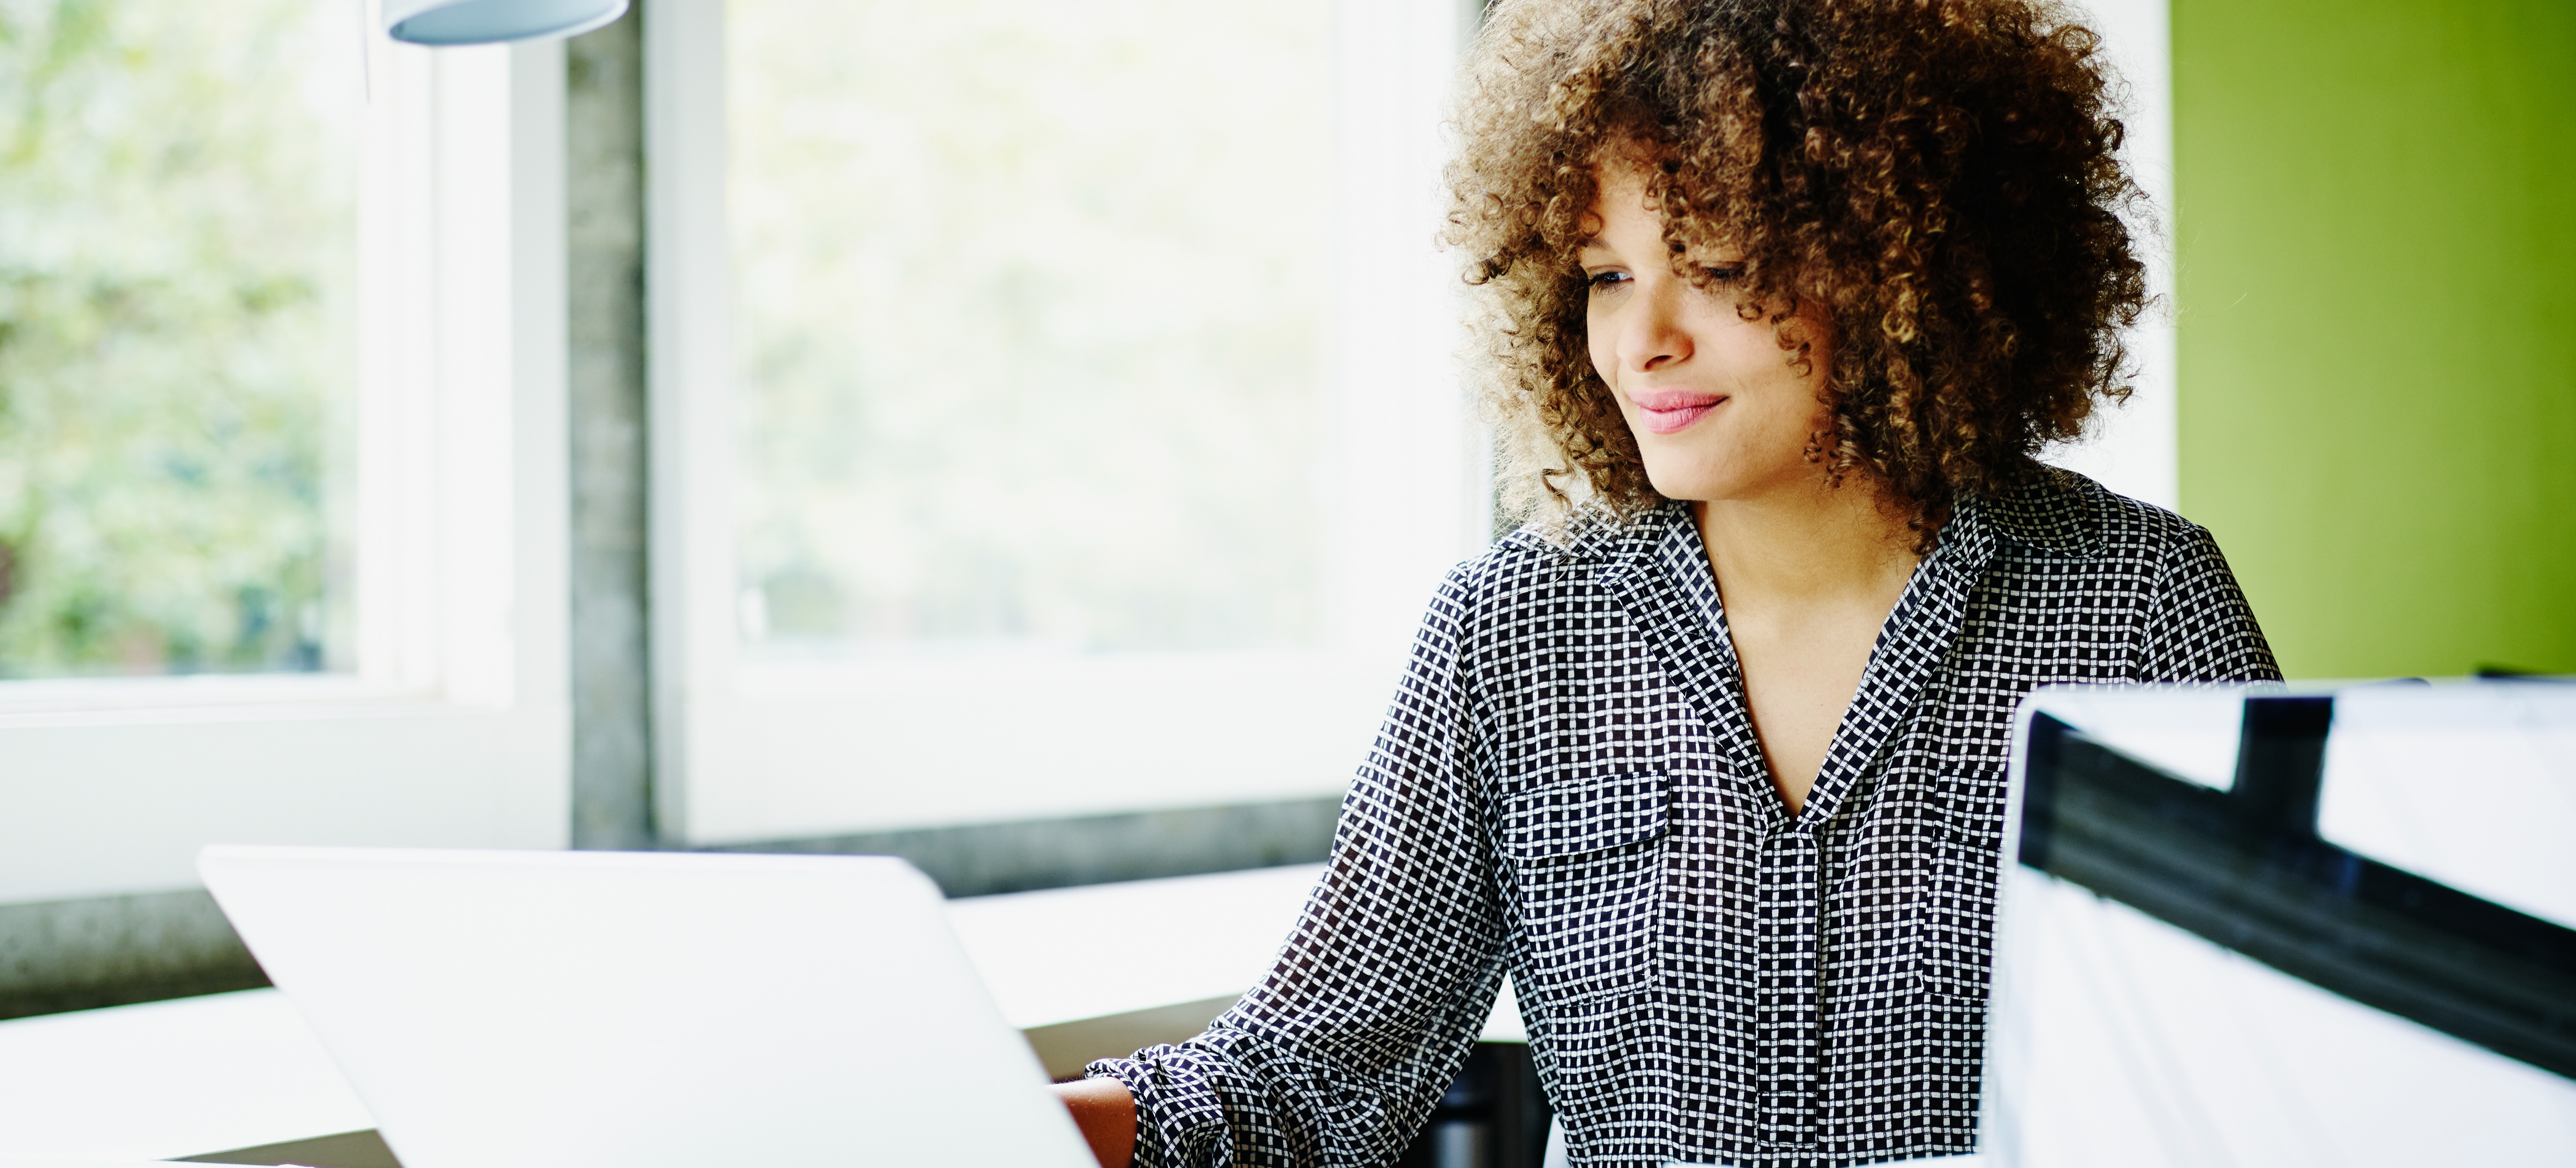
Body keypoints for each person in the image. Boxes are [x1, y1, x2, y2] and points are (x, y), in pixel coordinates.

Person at [1054, 0, 2279, 1164]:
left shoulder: (2139, 602)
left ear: (1901, 265)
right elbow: (1305, 1077)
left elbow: (2269, 1071)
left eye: (1718, 261)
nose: (1642, 342)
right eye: (1602, 273)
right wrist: (989, 1119)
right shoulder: (1509, 630)